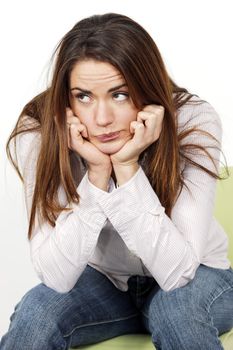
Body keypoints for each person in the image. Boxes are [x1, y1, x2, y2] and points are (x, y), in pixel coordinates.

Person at [1, 12, 233, 350]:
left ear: (146, 89)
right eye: (83, 96)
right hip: (105, 284)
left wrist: (126, 167)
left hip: (200, 278)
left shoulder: (191, 119)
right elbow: (56, 277)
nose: (102, 119)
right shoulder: (39, 131)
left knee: (176, 310)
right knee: (37, 311)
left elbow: (178, 272)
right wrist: (96, 175)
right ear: (66, 99)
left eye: (120, 94)